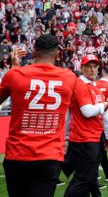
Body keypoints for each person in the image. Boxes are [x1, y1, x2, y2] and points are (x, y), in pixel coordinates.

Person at [0, 34, 77, 197]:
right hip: (49, 155)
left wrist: (14, 68)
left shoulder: (15, 75)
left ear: (33, 52)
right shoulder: (69, 77)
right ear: (56, 54)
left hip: (18, 153)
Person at [64, 54, 108, 197]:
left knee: (89, 177)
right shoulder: (81, 85)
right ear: (82, 68)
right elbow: (87, 111)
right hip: (85, 139)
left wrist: (107, 135)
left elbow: (102, 115)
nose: (92, 69)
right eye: (88, 66)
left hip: (92, 138)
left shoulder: (93, 87)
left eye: (94, 66)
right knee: (84, 179)